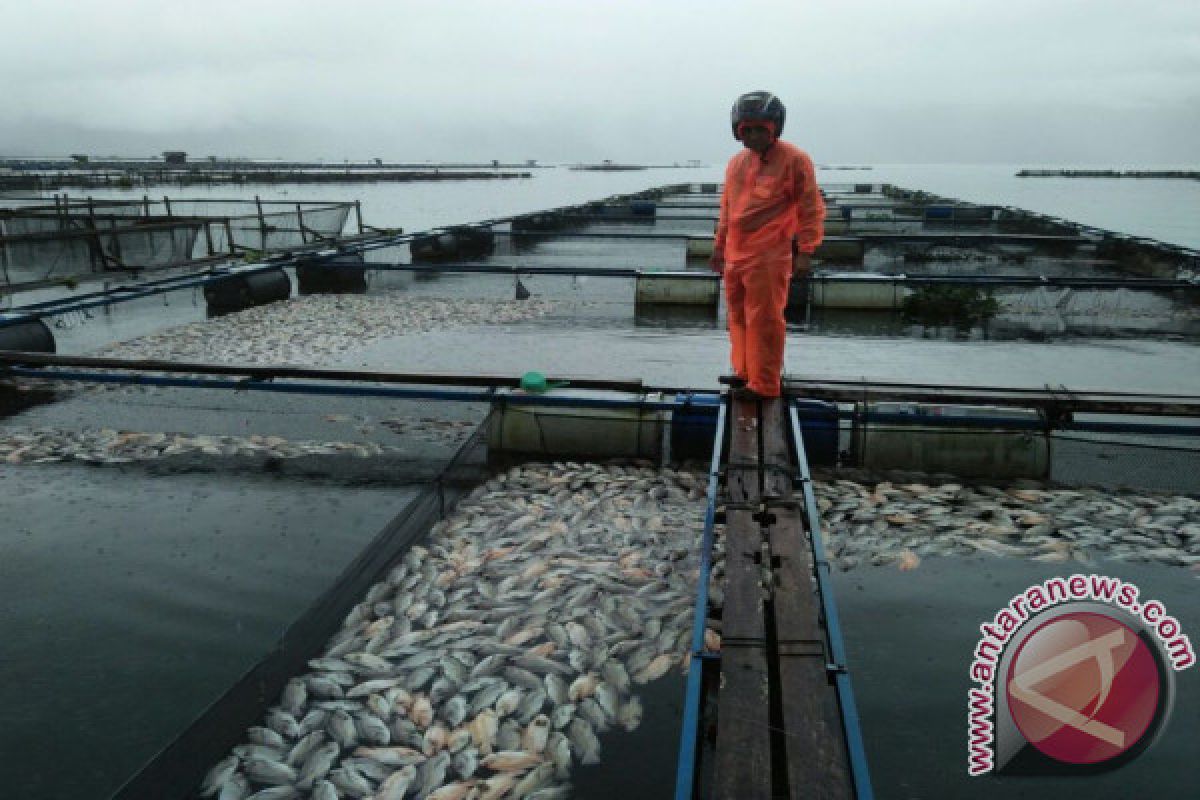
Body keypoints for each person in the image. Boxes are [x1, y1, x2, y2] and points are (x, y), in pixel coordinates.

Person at [711, 91, 825, 399]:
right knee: (736, 316)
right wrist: (718, 247)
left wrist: (806, 250)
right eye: (747, 130)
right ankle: (744, 373)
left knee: (764, 319)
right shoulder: (736, 164)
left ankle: (763, 384)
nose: (753, 135)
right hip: (735, 254)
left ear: (775, 128)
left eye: (761, 129)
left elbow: (810, 207)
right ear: (738, 130)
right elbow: (727, 209)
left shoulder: (795, 160)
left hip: (769, 255)